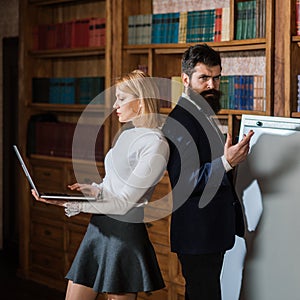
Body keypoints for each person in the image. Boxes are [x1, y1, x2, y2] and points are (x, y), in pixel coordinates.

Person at [32, 70, 170, 300]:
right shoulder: (128, 135)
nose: (115, 104)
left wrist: (71, 203)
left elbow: (124, 203)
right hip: (98, 229)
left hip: (123, 234)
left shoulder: (156, 144)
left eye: (122, 98)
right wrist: (94, 189)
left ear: (141, 101)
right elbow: (112, 185)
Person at [162, 44, 254, 300]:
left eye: (216, 77)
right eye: (204, 78)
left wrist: (234, 160)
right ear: (185, 80)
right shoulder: (179, 121)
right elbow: (185, 181)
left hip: (211, 232)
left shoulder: (203, 114)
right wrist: (227, 162)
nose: (212, 85)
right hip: (197, 235)